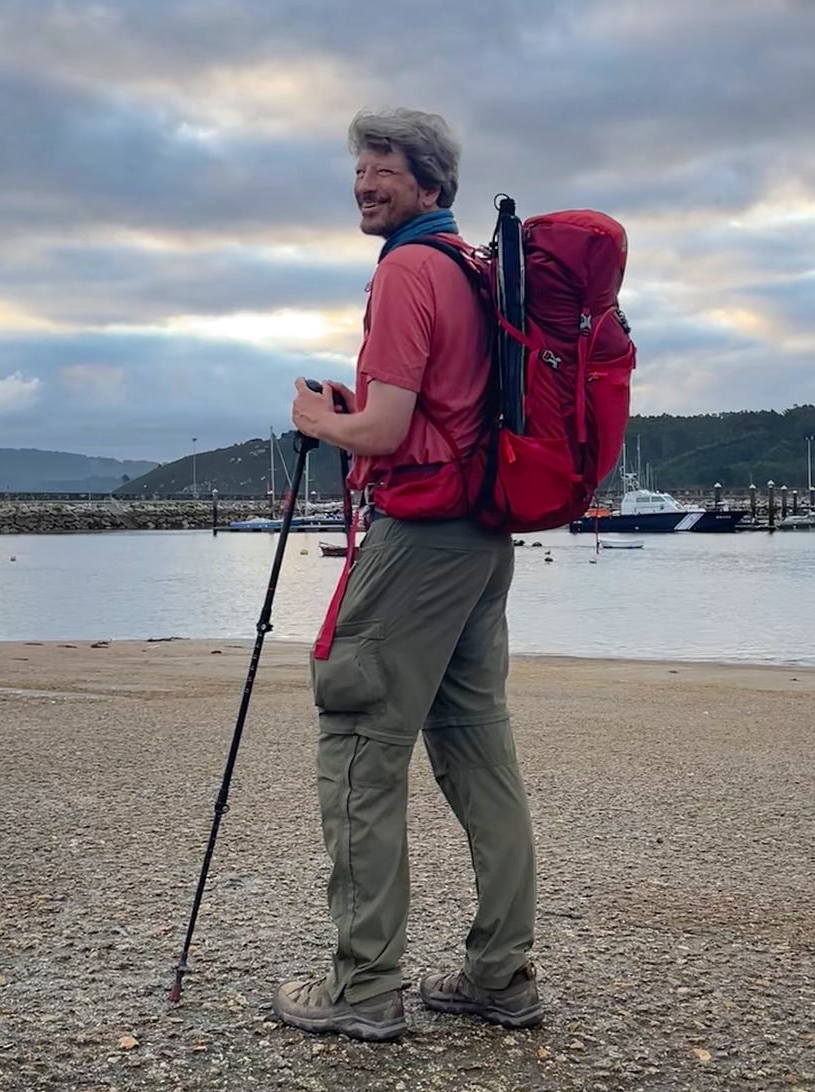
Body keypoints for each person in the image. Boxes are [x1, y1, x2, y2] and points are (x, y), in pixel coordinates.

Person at [275, 107, 540, 1043]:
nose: (365, 181)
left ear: (431, 186)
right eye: (359, 166)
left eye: (384, 168)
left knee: (358, 744)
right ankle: (501, 974)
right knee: (479, 749)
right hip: (483, 533)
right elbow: (429, 411)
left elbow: (383, 434)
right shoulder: (473, 272)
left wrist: (321, 423)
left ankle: (364, 989)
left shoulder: (406, 274)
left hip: (421, 537)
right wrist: (365, 419)